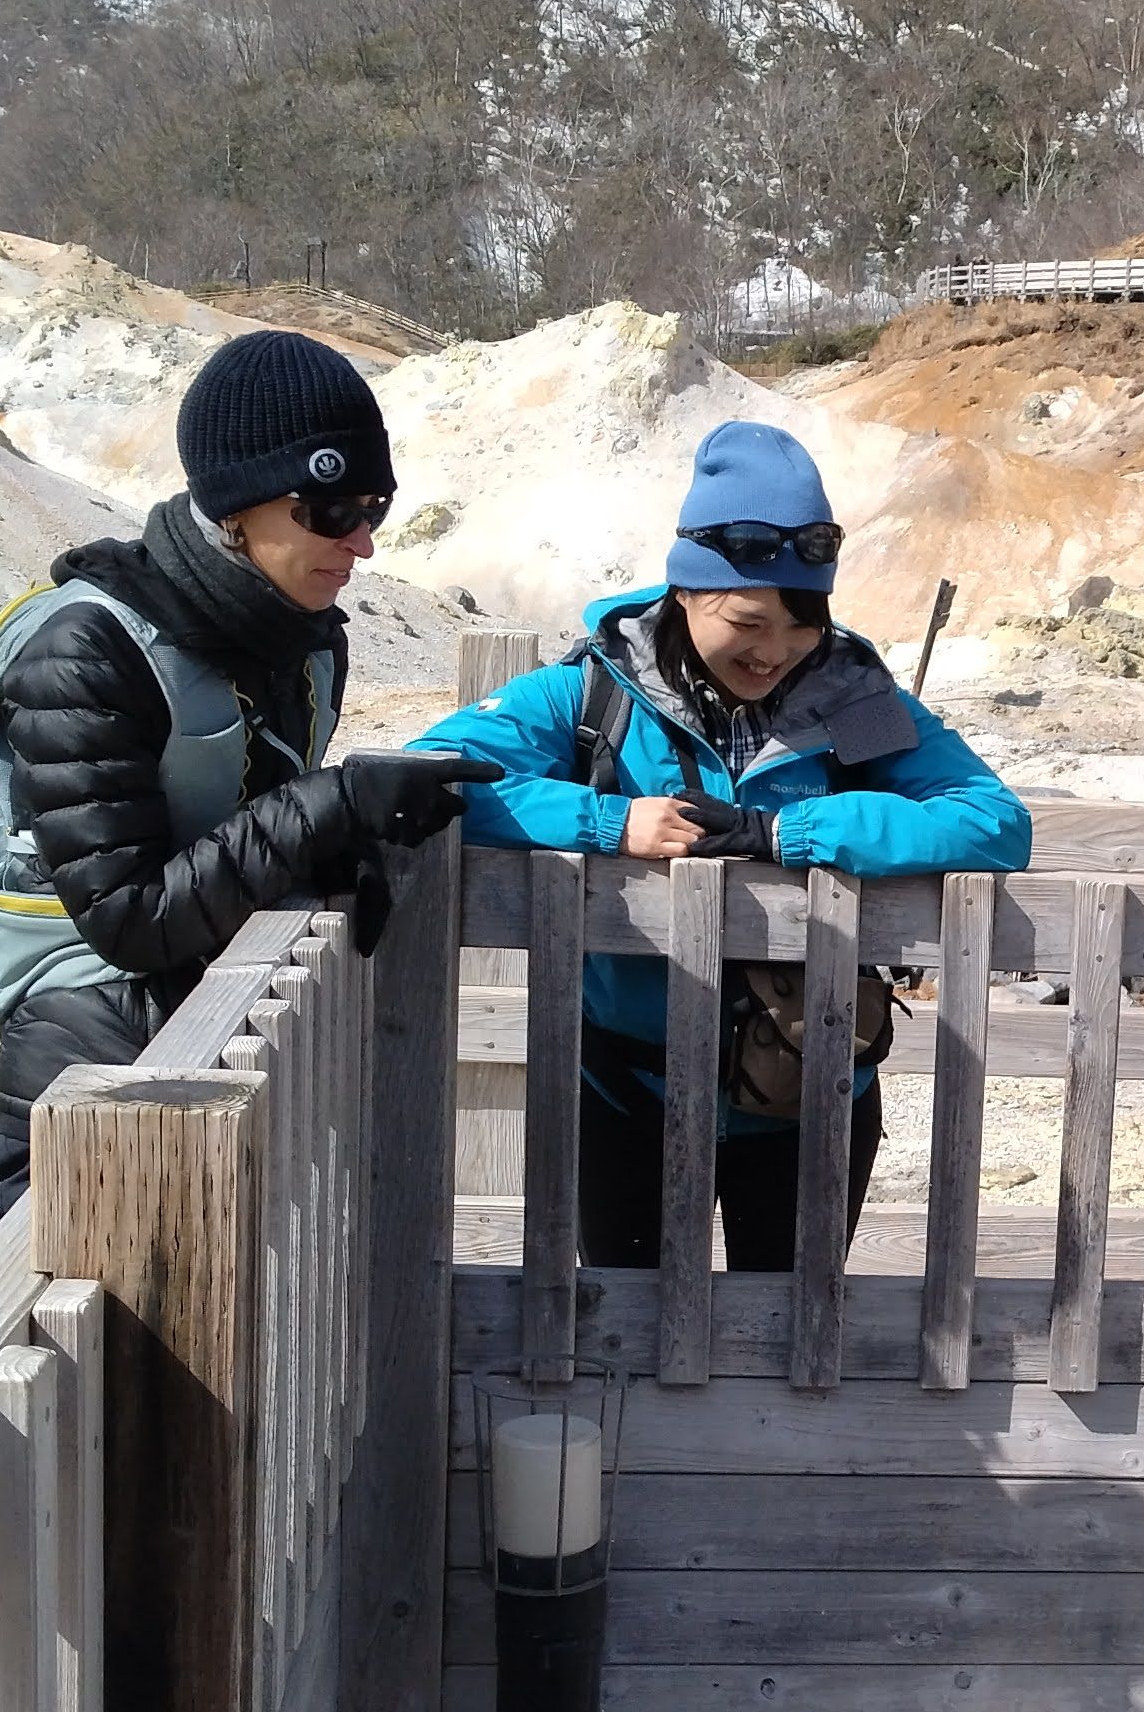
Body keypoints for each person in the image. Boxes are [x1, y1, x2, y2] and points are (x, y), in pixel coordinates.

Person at [417, 420, 1030, 1271]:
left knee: (791, 1340)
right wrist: (608, 823)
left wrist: (790, 833)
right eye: (749, 618)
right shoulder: (593, 691)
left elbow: (994, 820)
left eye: (801, 626)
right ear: (686, 588)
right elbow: (430, 776)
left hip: (812, 1090)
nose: (774, 652)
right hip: (628, 1089)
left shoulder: (853, 698)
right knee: (620, 1335)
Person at [0, 329, 490, 1223]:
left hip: (216, 1041)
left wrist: (342, 845)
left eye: (374, 508)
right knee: (73, 1344)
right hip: (93, 1074)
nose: (362, 544)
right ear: (236, 508)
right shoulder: (85, 651)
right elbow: (128, 919)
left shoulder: (298, 633)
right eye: (330, 511)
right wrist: (323, 809)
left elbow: (234, 832)